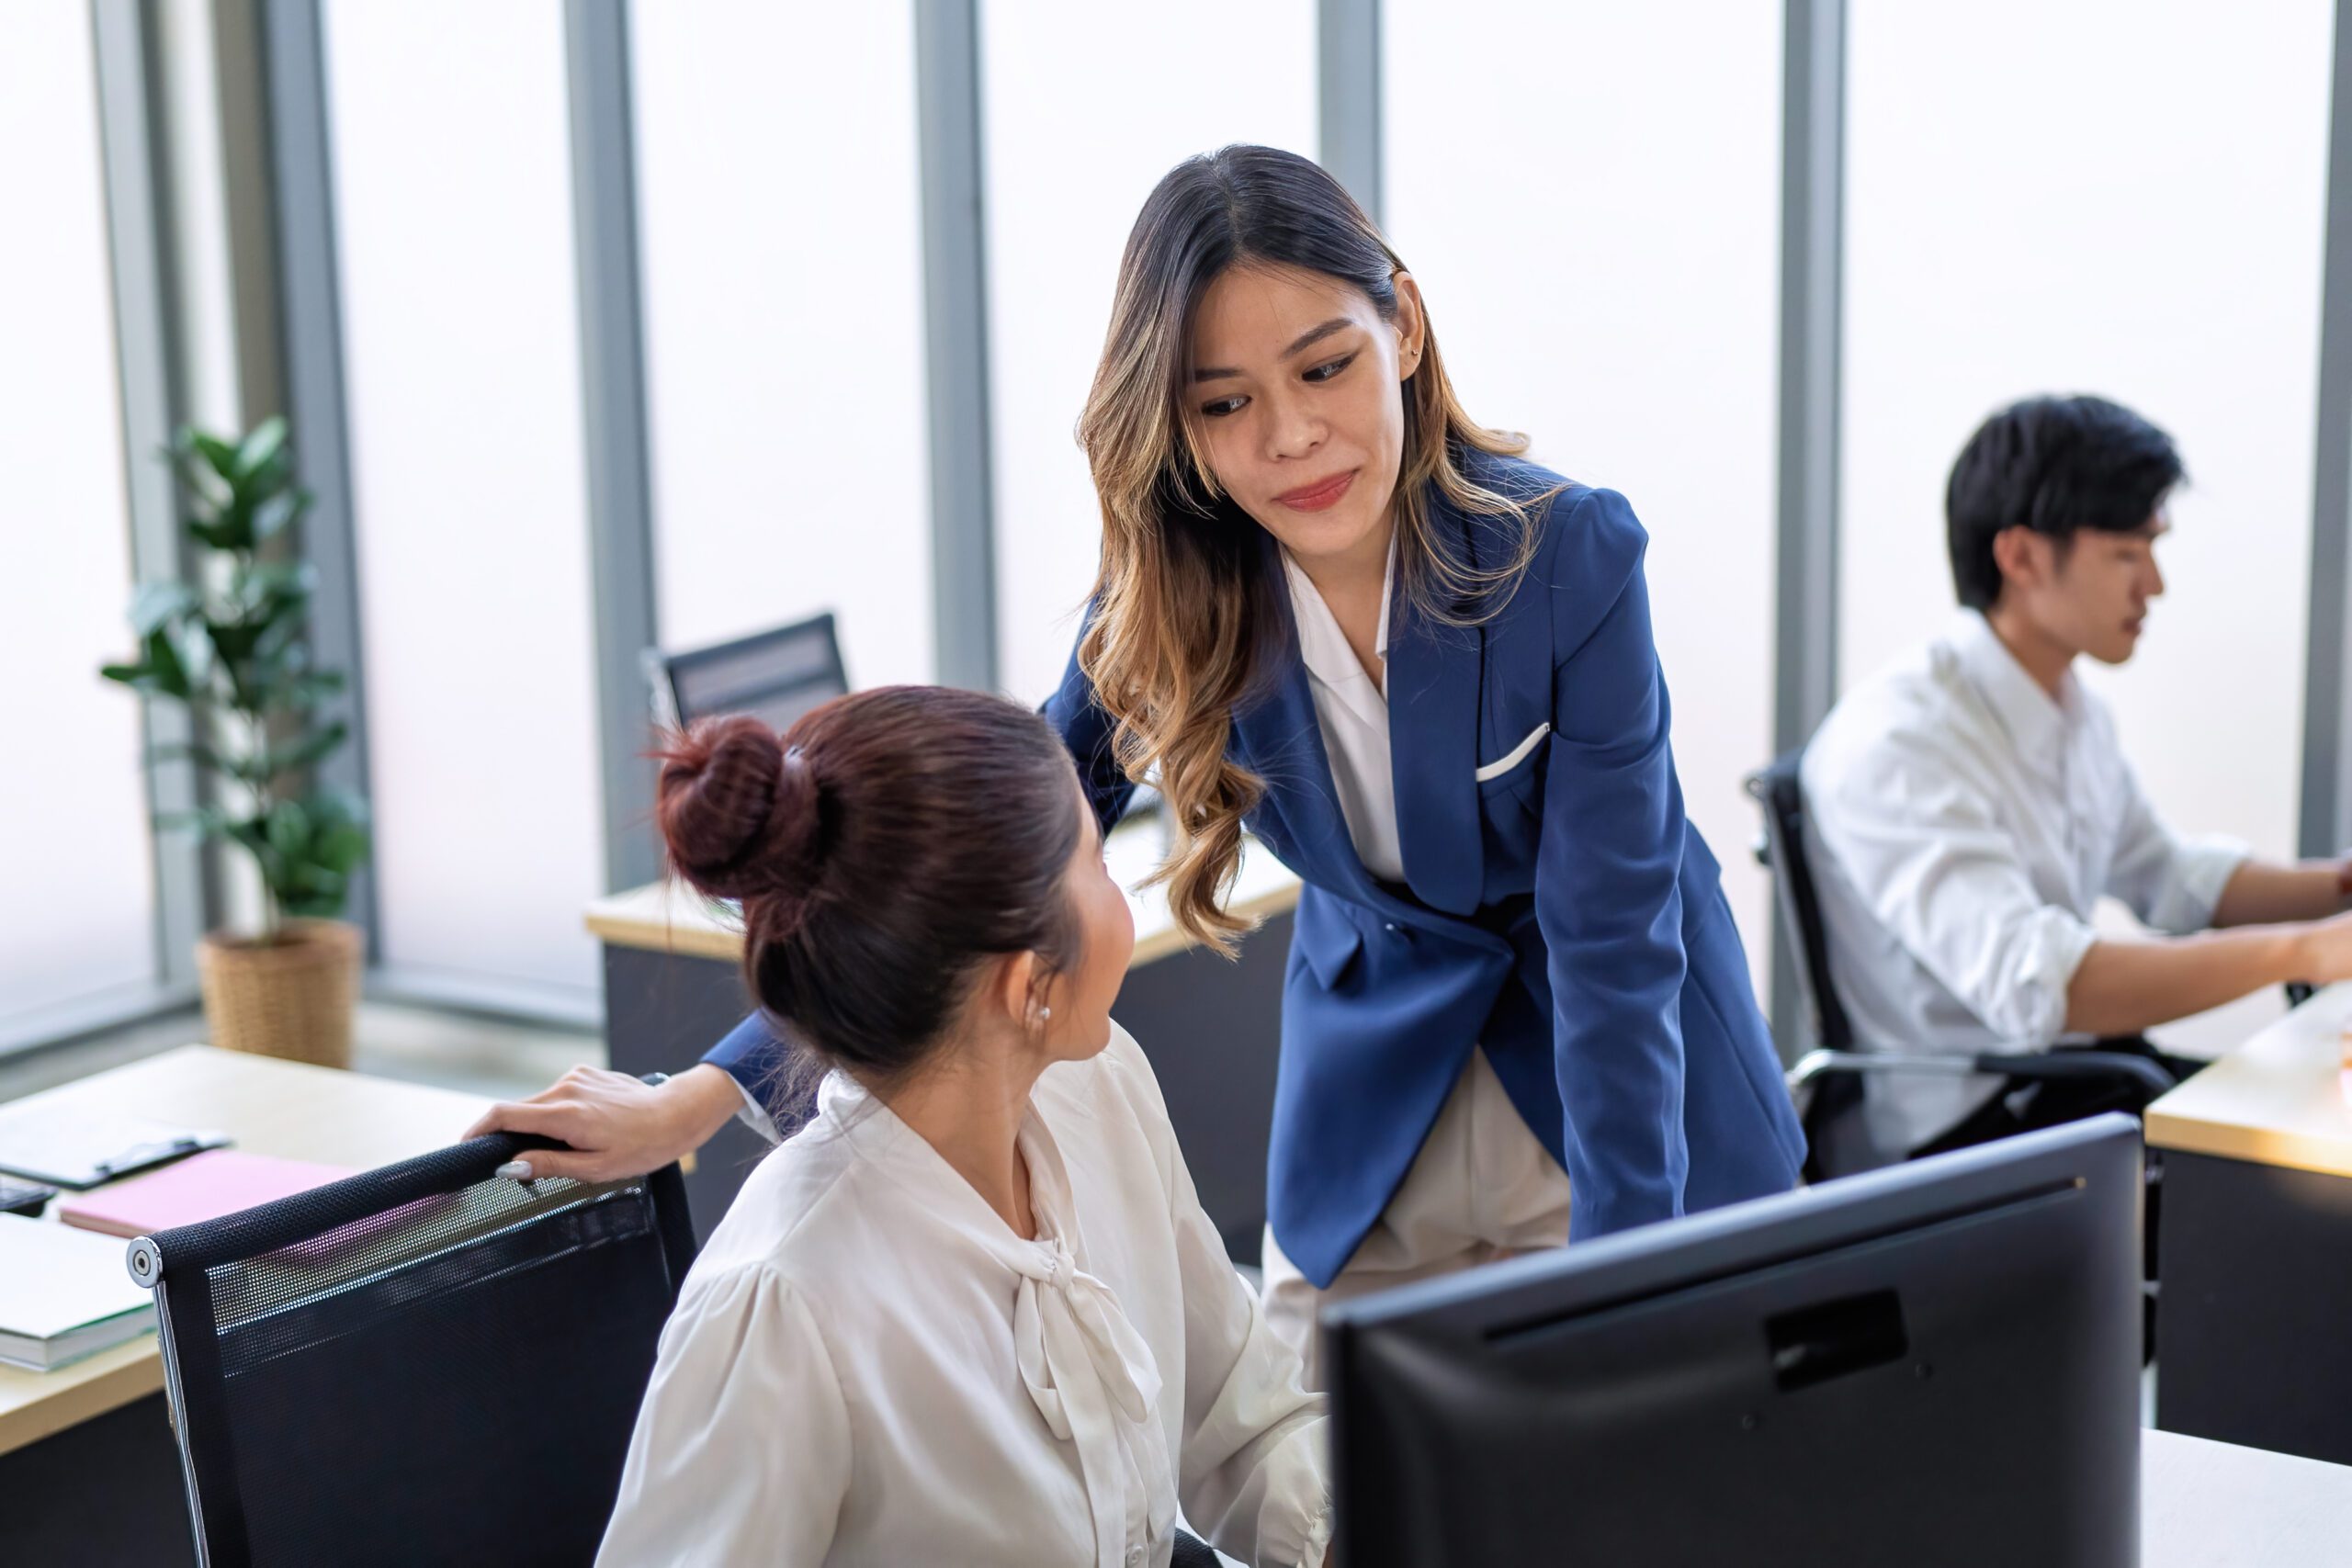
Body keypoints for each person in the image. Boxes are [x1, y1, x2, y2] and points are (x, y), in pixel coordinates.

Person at [474, 144, 1804, 1382]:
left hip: (1611, 1070)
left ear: (1401, 323)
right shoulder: (1169, 601)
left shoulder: (1565, 555)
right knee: (1324, 1465)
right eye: (1226, 403)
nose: (1288, 438)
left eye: (1324, 367)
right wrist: (701, 1096)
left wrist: (1634, 1276)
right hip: (1378, 1073)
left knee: (1642, 1449)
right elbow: (963, 861)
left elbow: (1613, 940)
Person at [592, 691, 1330, 1567]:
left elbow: (1240, 1420)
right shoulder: (784, 1300)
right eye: (1096, 861)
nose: (1123, 894)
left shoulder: (1099, 1088)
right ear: (1028, 984)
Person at [1802, 394, 2352, 1163]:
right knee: (2292, 1181)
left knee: (2305, 1135)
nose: (2153, 585)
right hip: (1974, 1132)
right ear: (2021, 557)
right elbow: (2045, 987)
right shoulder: (1898, 742)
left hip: (2077, 1081)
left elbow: (2168, 876)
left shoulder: (2068, 703)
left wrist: (2337, 890)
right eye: (2127, 554)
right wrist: (2307, 952)